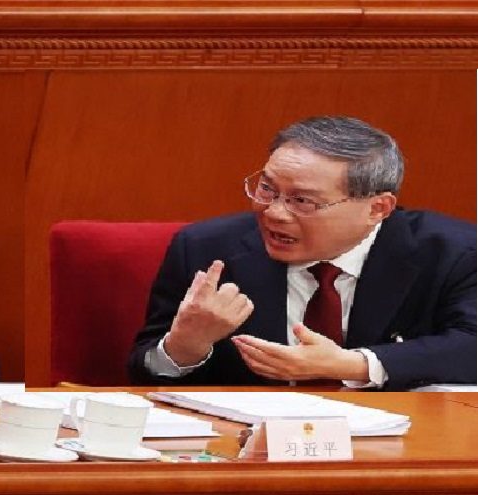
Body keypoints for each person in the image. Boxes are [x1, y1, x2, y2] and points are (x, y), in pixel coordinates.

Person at [129, 116, 475, 390]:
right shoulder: (206, 248)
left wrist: (351, 365)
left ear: (378, 208)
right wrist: (184, 347)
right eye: (267, 189)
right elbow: (143, 376)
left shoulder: (455, 252)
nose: (274, 212)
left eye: (302, 201)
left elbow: (469, 346)